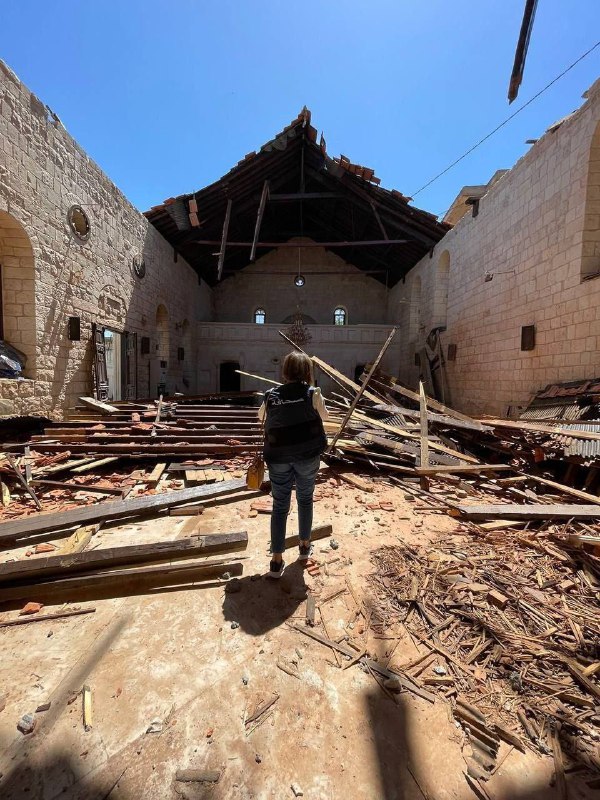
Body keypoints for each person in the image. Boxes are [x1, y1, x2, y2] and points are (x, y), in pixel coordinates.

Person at [258, 352, 329, 578]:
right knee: (305, 499)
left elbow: (260, 417)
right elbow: (325, 417)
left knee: (280, 505)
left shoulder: (271, 395)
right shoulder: (313, 393)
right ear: (307, 372)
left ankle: (276, 561)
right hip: (307, 455)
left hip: (278, 457)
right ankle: (304, 547)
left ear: (285, 371)